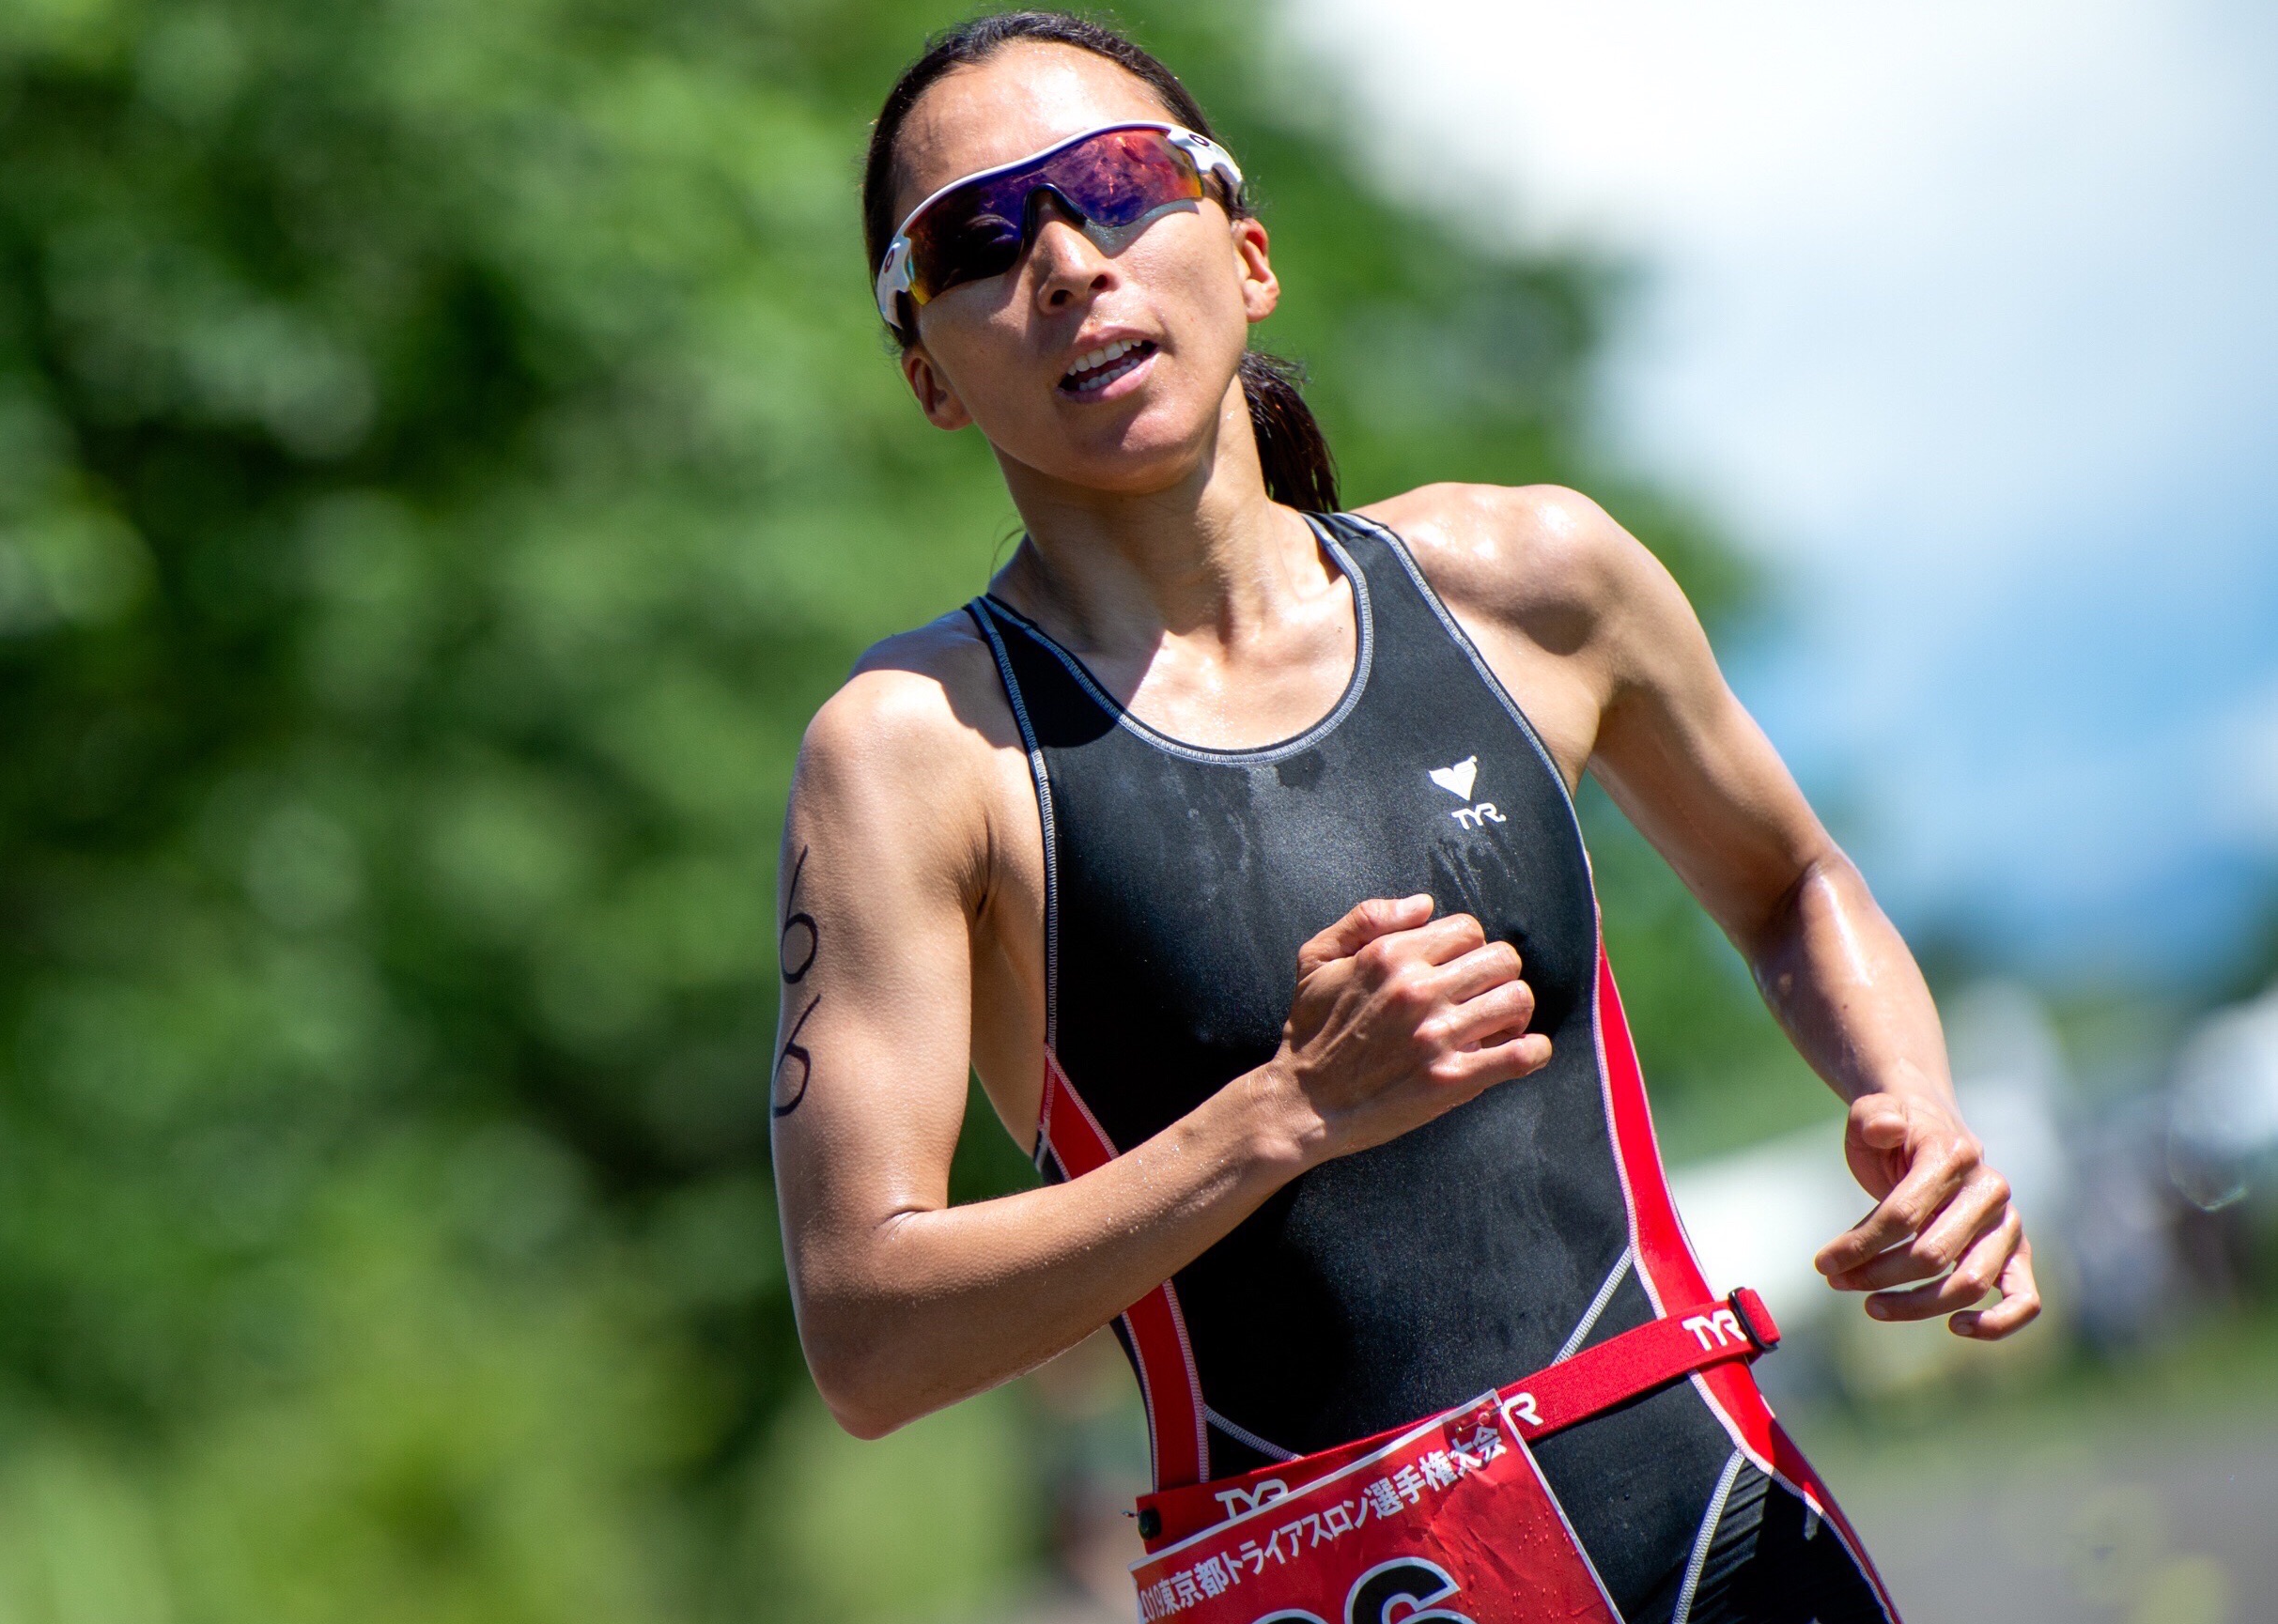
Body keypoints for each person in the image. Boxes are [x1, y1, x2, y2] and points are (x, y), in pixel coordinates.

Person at [767, 13, 2038, 1622]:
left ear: (1248, 253)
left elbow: (1788, 881)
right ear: (927, 374)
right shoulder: (918, 750)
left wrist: (1910, 1098)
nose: (1072, 261)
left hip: (1719, 1533)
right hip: (1337, 1584)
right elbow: (868, 1331)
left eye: (1119, 179)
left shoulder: (1531, 581)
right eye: (980, 238)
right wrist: (1280, 1113)